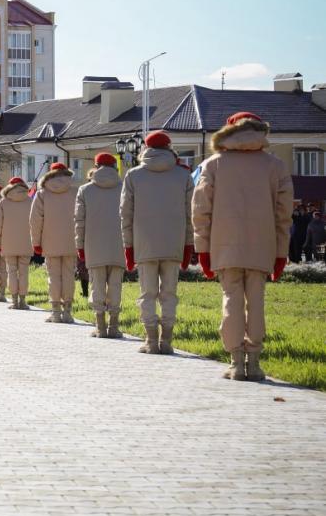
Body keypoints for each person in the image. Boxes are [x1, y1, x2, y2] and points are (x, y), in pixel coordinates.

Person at [193, 112, 293, 381]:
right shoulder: (276, 165)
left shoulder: (213, 164)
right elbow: (284, 214)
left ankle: (236, 362)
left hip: (224, 245)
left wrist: (202, 249)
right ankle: (256, 362)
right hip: (263, 244)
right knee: (257, 301)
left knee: (231, 300)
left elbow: (201, 210)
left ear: (229, 130)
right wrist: (281, 251)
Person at [121, 130, 193, 355]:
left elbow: (125, 214)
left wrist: (128, 246)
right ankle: (167, 341)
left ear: (146, 148)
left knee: (147, 293)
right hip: (174, 243)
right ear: (170, 148)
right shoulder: (183, 175)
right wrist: (189, 244)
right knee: (169, 293)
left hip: (144, 243)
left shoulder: (134, 175)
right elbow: (192, 214)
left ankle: (151, 340)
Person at [75, 153, 125, 338]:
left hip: (93, 244)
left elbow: (79, 221)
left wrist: (80, 245)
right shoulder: (125, 188)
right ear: (114, 167)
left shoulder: (85, 190)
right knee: (115, 286)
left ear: (95, 167)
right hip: (120, 244)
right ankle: (114, 326)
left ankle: (100, 327)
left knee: (97, 285)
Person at [31, 163, 79, 323]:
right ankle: (68, 312)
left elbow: (35, 220)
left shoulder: (42, 193)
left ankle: (56, 312)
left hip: (49, 241)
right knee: (68, 276)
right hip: (72, 241)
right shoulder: (76, 191)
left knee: (53, 277)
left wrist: (36, 242)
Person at [0, 177, 33, 309]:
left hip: (8, 242)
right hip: (27, 241)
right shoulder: (30, 201)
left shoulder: (3, 202)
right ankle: (23, 300)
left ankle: (14, 300)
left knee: (11, 271)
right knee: (24, 272)